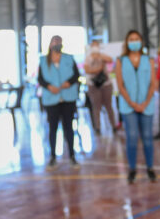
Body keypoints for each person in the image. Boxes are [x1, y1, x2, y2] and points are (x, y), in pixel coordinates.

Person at [116, 30, 158, 183]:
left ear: (141, 41)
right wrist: (132, 103)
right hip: (128, 106)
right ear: (127, 42)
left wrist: (145, 102)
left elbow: (153, 83)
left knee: (147, 137)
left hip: (146, 105)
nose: (134, 42)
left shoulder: (149, 60)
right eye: (131, 39)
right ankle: (132, 169)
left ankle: (150, 168)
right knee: (132, 137)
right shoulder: (121, 60)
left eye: (137, 39)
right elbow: (120, 85)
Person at [38, 35, 81, 169]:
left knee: (69, 127)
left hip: (68, 98)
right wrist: (49, 86)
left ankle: (72, 156)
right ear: (50, 44)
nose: (56, 44)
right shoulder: (44, 61)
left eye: (59, 42)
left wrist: (69, 83)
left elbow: (76, 75)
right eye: (54, 42)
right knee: (53, 128)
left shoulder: (69, 58)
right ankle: (52, 157)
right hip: (52, 99)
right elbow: (40, 79)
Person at [84, 40, 120, 134]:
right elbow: (87, 69)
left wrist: (99, 56)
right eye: (93, 46)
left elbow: (110, 60)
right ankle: (98, 127)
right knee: (96, 107)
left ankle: (113, 125)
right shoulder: (88, 58)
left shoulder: (102, 56)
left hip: (106, 84)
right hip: (94, 85)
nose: (95, 48)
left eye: (97, 46)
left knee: (109, 106)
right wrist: (97, 69)